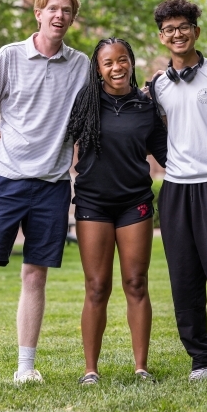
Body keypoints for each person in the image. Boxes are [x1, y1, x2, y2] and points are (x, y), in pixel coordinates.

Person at [0, 0, 90, 383]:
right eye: (53, 8)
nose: (59, 16)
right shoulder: (10, 56)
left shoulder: (81, 64)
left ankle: (25, 368)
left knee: (35, 274)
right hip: (6, 179)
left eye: (67, 11)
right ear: (38, 12)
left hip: (51, 184)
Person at [65, 37, 167, 384]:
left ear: (131, 62)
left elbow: (166, 153)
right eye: (108, 62)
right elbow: (55, 135)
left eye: (122, 60)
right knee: (96, 286)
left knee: (136, 283)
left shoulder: (146, 106)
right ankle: (90, 370)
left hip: (133, 203)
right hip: (93, 203)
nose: (117, 67)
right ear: (98, 69)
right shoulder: (87, 102)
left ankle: (141, 368)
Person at [151, 0, 207, 380]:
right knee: (183, 279)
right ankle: (201, 360)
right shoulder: (157, 86)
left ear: (196, 31)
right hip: (176, 190)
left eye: (184, 27)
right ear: (162, 37)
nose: (177, 34)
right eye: (169, 29)